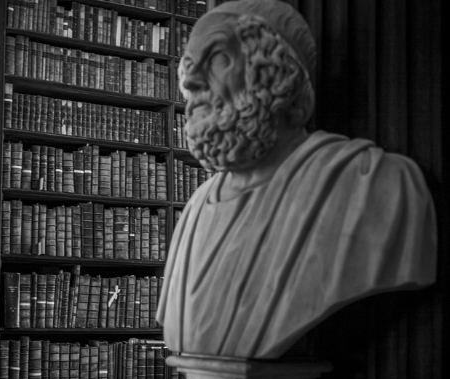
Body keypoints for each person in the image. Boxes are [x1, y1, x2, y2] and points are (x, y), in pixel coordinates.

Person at [156, 0, 436, 359]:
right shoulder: (196, 208)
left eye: (218, 58)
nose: (189, 82)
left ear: (276, 73)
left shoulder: (374, 187)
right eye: (188, 65)